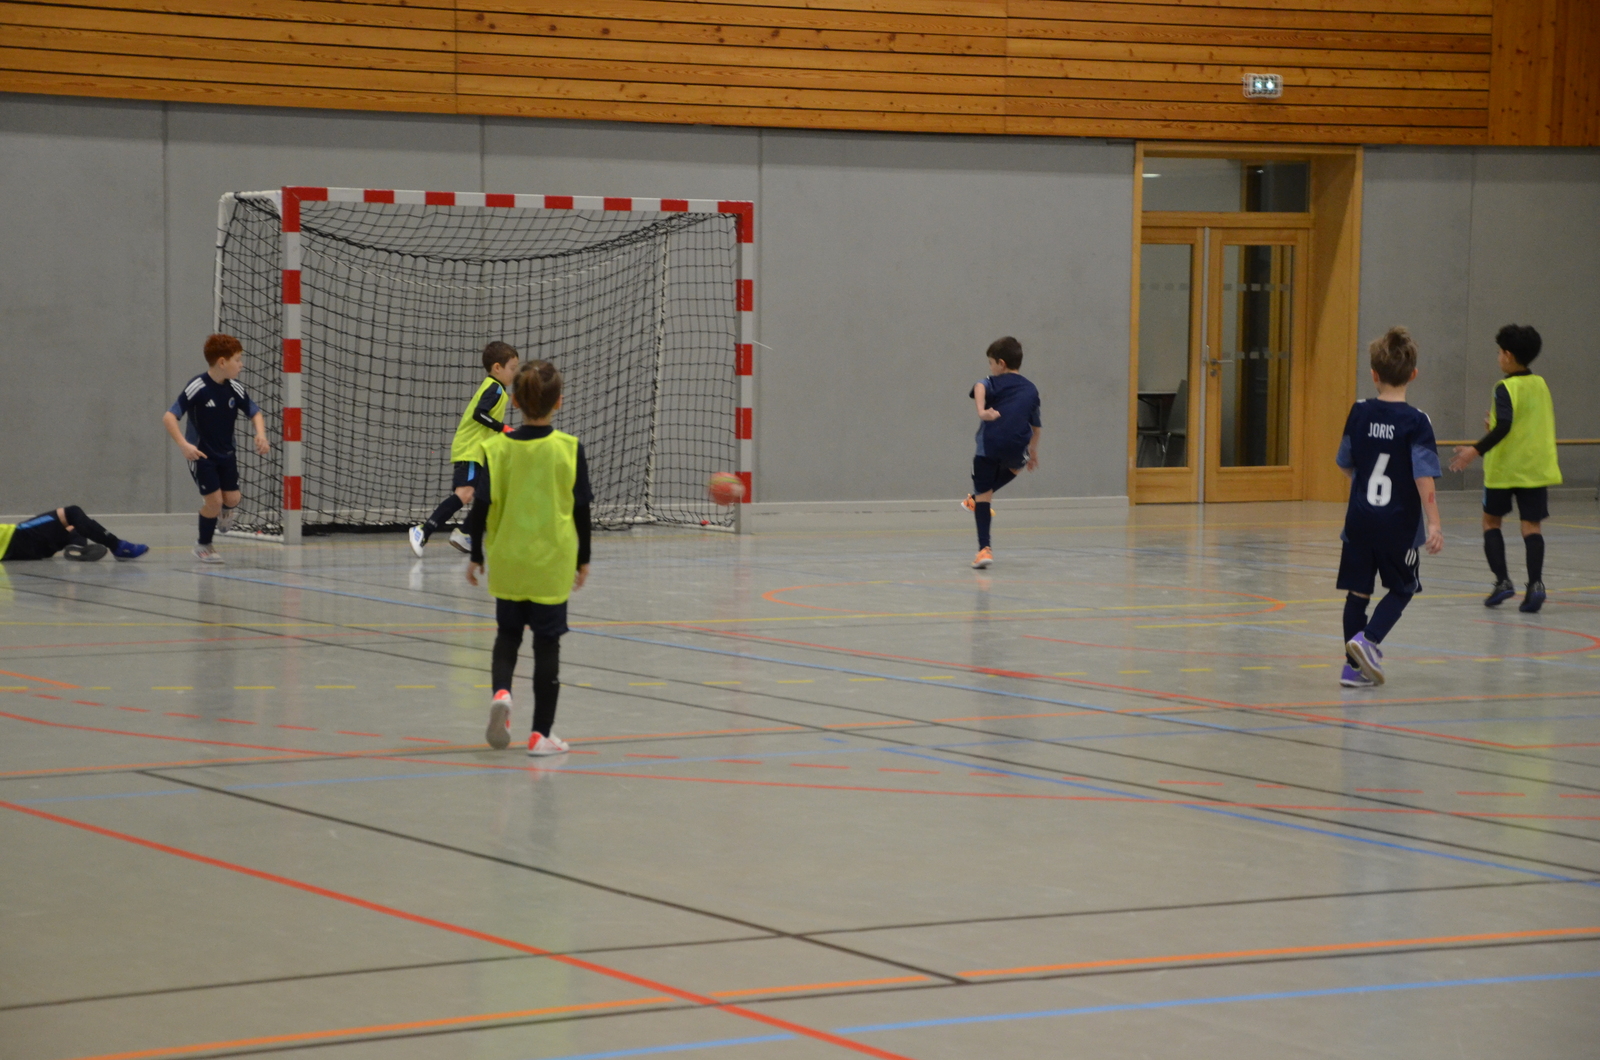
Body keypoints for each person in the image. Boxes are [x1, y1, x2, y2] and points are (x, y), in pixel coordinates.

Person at [465, 360, 592, 756]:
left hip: (508, 561)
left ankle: (502, 692)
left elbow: (480, 508)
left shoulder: (496, 448)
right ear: (559, 402)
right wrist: (583, 559)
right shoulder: (569, 449)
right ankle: (540, 735)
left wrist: (475, 554)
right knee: (547, 645)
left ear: (515, 401)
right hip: (551, 563)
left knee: (507, 636)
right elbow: (582, 511)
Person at [1336, 327, 1445, 688]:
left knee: (1358, 593)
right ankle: (1368, 641)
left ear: (1373, 374)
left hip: (1358, 522)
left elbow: (1345, 462)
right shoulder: (1417, 421)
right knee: (1404, 587)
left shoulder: (1359, 411)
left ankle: (1352, 670)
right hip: (1397, 527)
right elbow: (1424, 477)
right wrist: (1434, 523)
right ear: (1413, 374)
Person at [1448, 325, 1560, 613]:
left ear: (1508, 355)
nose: (1498, 357)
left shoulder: (1504, 387)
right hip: (1535, 468)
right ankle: (1536, 585)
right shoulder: (1541, 384)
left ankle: (1502, 581)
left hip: (1504, 469)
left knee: (1491, 522)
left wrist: (1474, 450)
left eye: (1499, 352)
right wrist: (1495, 424)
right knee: (1531, 527)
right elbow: (1524, 421)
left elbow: (1506, 426)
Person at [162, 334, 269, 564]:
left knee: (232, 499)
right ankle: (203, 545)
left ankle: (223, 512)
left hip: (227, 454)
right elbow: (169, 417)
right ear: (222, 362)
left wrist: (260, 434)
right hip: (202, 455)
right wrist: (184, 445)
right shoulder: (197, 387)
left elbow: (255, 412)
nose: (241, 365)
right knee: (214, 502)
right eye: (237, 360)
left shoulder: (235, 388)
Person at [410, 342, 520, 557]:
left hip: (481, 451)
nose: (514, 373)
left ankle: (464, 534)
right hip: (471, 449)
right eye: (512, 368)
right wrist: (503, 428)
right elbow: (479, 414)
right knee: (465, 493)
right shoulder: (494, 388)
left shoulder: (498, 390)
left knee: (490, 494)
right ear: (497, 368)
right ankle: (423, 530)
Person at [960, 336, 1041, 569]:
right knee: (1017, 465)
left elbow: (979, 386)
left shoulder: (993, 382)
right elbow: (1036, 427)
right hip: (1018, 445)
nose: (990, 368)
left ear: (1001, 363)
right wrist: (1033, 452)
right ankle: (975, 500)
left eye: (991, 363)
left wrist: (982, 411)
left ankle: (984, 549)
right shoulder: (1031, 389)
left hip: (990, 444)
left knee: (984, 494)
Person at [1, 507, 147, 562]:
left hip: (19, 548)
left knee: (71, 525)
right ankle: (117, 546)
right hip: (17, 536)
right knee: (71, 514)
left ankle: (77, 545)